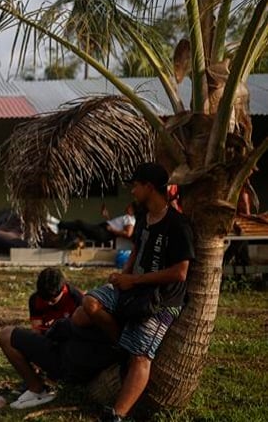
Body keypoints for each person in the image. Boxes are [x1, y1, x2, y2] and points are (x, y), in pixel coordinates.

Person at [71, 163, 195, 422]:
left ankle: (118, 414)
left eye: (135, 185)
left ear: (149, 187)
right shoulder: (143, 216)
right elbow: (138, 248)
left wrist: (135, 280)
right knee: (87, 307)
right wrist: (124, 274)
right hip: (133, 286)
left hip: (160, 299)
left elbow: (180, 272)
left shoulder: (177, 224)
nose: (132, 190)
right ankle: (121, 343)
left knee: (141, 357)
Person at [0, 317, 124, 410]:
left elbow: (76, 319)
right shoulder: (132, 320)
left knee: (7, 335)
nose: (114, 279)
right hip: (84, 365)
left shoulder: (98, 303)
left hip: (68, 362)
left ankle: (37, 389)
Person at [28, 267, 84, 333]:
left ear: (63, 290)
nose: (48, 303)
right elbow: (37, 331)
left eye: (52, 301)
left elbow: (81, 328)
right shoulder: (35, 299)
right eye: (44, 299)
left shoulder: (77, 298)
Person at [58, 202, 136, 248]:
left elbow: (128, 234)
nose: (126, 207)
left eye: (129, 206)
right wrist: (106, 215)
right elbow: (113, 224)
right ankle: (63, 240)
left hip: (104, 232)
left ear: (133, 209)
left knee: (80, 223)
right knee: (80, 231)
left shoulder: (130, 218)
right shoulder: (126, 217)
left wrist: (112, 230)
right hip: (103, 230)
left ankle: (58, 224)